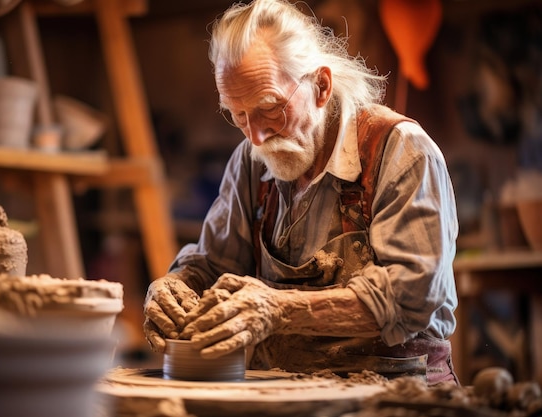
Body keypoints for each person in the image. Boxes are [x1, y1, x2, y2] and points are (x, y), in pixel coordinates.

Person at [143, 0, 459, 385]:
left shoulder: (400, 151)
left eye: (269, 108)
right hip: (283, 392)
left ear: (321, 86)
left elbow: (412, 294)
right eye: (238, 115)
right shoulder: (251, 160)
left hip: (396, 392)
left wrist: (276, 309)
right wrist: (172, 287)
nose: (255, 136)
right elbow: (211, 267)